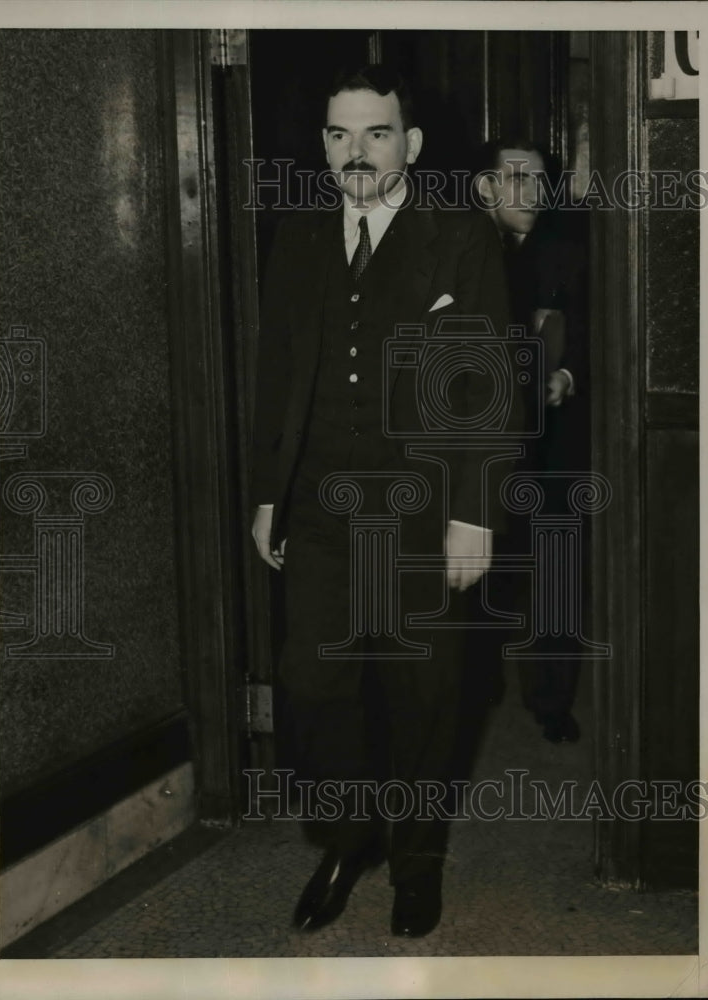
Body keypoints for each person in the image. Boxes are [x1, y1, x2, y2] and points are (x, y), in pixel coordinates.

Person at [251, 66, 520, 938]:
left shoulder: (459, 237)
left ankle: (416, 862)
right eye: (340, 135)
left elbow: (484, 385)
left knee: (423, 693)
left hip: (424, 511)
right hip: (320, 508)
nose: (356, 152)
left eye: (376, 133)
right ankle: (348, 836)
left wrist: (473, 513)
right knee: (311, 681)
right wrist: (268, 496)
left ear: (410, 143)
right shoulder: (296, 235)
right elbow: (277, 374)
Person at [476, 138, 590, 744]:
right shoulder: (456, 252)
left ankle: (552, 699)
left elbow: (594, 332)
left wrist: (565, 376)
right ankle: (474, 686)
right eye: (517, 179)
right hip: (481, 447)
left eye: (540, 180)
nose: (532, 193)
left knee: (558, 564)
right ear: (486, 187)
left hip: (551, 444)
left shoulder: (568, 252)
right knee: (481, 568)